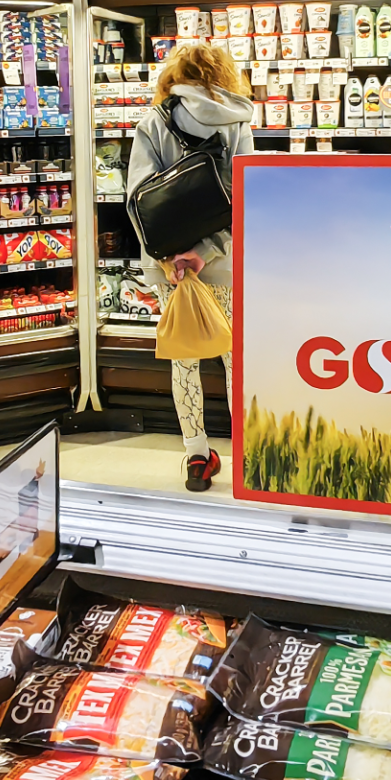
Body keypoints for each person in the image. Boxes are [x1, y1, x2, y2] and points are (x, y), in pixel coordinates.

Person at [126, 41, 254, 492]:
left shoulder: (153, 122)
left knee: (185, 360)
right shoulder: (237, 121)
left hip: (171, 270)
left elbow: (137, 200)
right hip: (220, 264)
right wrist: (209, 249)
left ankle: (197, 458)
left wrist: (170, 257)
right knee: (235, 358)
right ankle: (246, 453)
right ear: (224, 76)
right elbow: (244, 197)